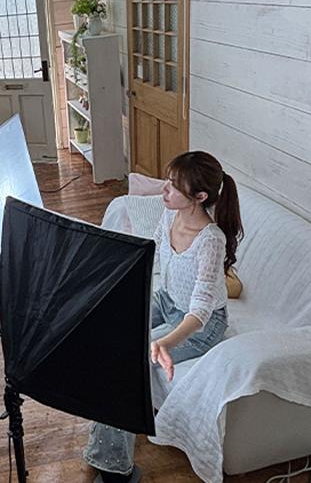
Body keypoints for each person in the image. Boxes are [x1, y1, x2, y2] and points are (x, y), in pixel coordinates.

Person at [84, 151, 244, 483]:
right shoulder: (170, 217)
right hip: (167, 300)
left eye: (173, 186)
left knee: (131, 363)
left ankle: (116, 469)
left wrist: (163, 343)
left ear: (200, 197)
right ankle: (104, 440)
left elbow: (200, 312)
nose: (164, 190)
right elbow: (148, 253)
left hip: (201, 326)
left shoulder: (211, 240)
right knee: (110, 331)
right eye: (167, 181)